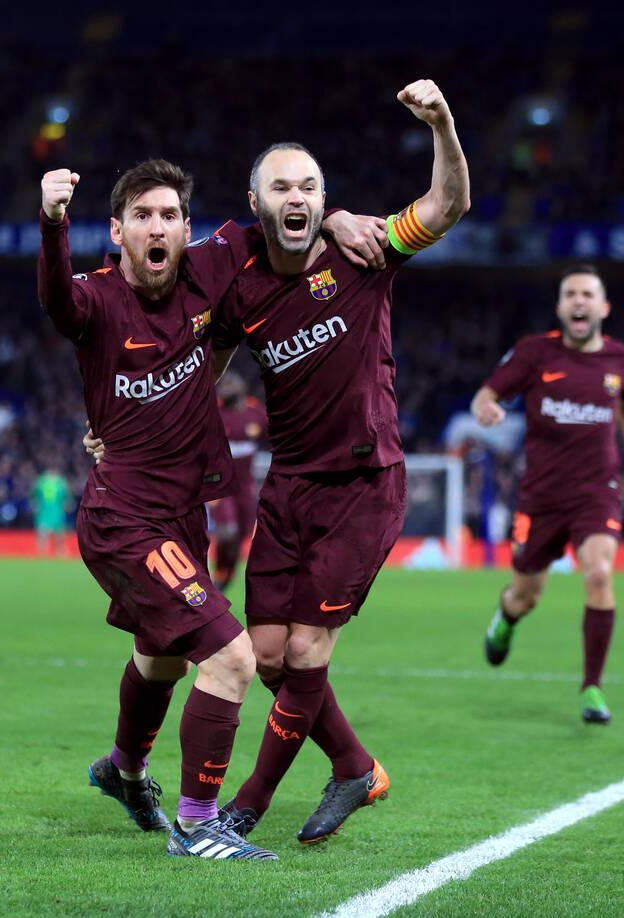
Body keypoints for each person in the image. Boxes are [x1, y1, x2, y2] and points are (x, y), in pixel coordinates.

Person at [39, 159, 380, 860]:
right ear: (118, 231)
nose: (157, 227)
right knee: (231, 658)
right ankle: (198, 825)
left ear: (187, 230)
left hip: (183, 515)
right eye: (142, 217)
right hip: (123, 517)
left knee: (160, 658)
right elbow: (55, 303)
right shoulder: (96, 299)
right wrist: (51, 224)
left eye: (169, 216)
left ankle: (124, 771)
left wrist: (338, 220)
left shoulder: (212, 264)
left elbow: (281, 227)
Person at [208, 79, 471, 845]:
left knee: (307, 650)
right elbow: (204, 370)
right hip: (288, 484)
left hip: (364, 482)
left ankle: (247, 804)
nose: (298, 196)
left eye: (311, 185)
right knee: (265, 655)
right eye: (281, 185)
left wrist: (443, 125)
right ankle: (354, 765)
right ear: (255, 200)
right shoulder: (242, 285)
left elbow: (447, 206)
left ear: (325, 198)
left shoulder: (363, 250)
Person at [470, 265, 624, 724]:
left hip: (596, 491)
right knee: (526, 595)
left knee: (599, 573)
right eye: (570, 294)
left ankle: (592, 688)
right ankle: (506, 617)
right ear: (560, 306)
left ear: (603, 307)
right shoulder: (534, 352)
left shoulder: (621, 360)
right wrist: (486, 409)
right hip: (540, 496)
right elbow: (486, 394)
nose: (579, 301)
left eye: (587, 294)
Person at [210, 372, 267, 590]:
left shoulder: (256, 413)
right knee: (227, 533)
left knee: (240, 536)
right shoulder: (214, 413)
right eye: (222, 384)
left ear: (243, 387)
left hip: (246, 488)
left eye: (230, 383)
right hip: (220, 487)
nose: (224, 387)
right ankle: (217, 577)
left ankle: (224, 577)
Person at [31, 466, 71, 557]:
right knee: (43, 532)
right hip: (44, 511)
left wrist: (66, 503)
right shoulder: (41, 482)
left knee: (59, 532)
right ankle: (42, 552)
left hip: (57, 510)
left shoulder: (60, 482)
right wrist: (35, 504)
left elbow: (66, 496)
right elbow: (33, 495)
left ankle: (60, 551)